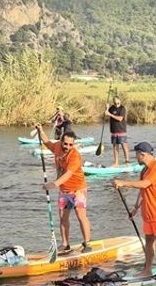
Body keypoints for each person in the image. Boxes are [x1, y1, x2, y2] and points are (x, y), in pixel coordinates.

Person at [113, 142, 156, 281]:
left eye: (136, 155)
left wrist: (123, 183)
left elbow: (145, 184)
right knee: (149, 242)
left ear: (142, 154)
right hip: (148, 212)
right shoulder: (144, 170)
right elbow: (142, 191)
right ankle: (147, 270)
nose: (136, 158)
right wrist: (135, 208)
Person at [36, 125, 92, 253]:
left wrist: (54, 184)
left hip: (78, 189)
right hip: (64, 190)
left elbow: (68, 174)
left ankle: (87, 243)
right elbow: (47, 142)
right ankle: (65, 244)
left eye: (70, 145)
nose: (67, 147)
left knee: (80, 215)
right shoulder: (57, 147)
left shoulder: (75, 156)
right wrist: (41, 131)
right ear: (61, 141)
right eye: (65, 144)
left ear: (73, 144)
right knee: (63, 217)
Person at [105, 95, 131, 166]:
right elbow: (106, 115)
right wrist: (106, 109)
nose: (117, 105)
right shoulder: (111, 108)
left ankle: (127, 162)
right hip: (113, 131)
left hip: (121, 130)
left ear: (120, 102)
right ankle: (116, 163)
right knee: (115, 147)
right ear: (113, 103)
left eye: (118, 103)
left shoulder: (123, 108)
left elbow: (120, 118)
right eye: (115, 103)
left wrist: (110, 114)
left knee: (124, 146)